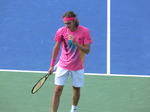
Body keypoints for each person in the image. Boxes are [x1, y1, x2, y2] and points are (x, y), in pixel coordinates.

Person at [48, 11, 92, 112]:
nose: (67, 26)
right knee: (57, 90)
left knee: (76, 90)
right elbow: (56, 48)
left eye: (69, 23)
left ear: (74, 21)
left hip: (78, 66)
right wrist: (51, 65)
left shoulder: (85, 31)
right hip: (63, 65)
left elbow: (87, 51)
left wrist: (75, 42)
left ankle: (73, 109)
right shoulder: (61, 31)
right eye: (65, 24)